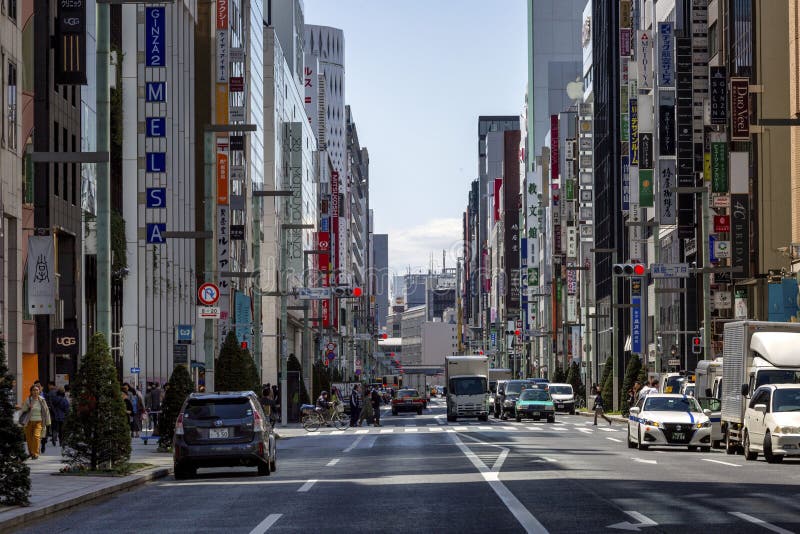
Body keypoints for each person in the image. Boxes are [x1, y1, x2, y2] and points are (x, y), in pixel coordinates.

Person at [19, 384, 52, 459]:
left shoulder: (42, 400)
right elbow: (23, 411)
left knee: (36, 437)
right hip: (29, 422)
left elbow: (46, 411)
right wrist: (28, 408)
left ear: (39, 391)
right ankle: (31, 453)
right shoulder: (28, 400)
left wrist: (48, 422)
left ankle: (35, 453)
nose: (35, 391)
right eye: (34, 390)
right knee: (29, 438)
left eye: (37, 390)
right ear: (31, 391)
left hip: (39, 421)